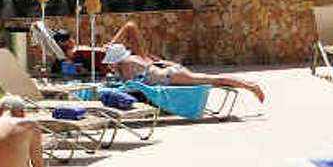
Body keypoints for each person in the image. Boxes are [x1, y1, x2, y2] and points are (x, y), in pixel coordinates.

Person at [102, 19, 266, 103]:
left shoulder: (126, 64)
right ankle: (248, 85)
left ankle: (251, 86)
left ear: (116, 60)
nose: (108, 65)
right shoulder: (133, 58)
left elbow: (130, 85)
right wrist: (112, 47)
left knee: (212, 80)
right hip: (170, 72)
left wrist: (111, 50)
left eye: (110, 61)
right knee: (211, 81)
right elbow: (130, 27)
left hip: (170, 76)